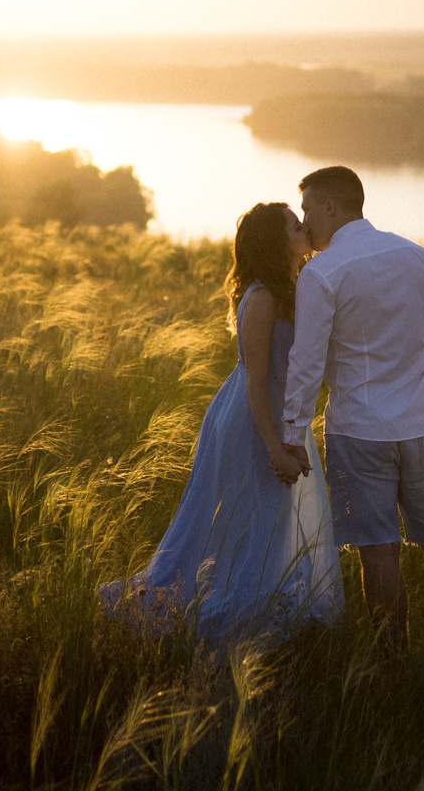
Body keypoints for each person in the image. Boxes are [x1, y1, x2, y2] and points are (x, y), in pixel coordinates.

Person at [99, 201, 341, 643]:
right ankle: (220, 613)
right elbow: (254, 380)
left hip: (279, 418)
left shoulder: (296, 285)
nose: (303, 225)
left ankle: (253, 608)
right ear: (276, 240)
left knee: (270, 519)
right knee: (246, 518)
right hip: (252, 420)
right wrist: (273, 446)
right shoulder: (264, 296)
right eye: (293, 223)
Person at [281, 165, 424, 654]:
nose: (305, 222)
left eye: (308, 208)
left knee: (378, 553)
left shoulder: (323, 273)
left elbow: (306, 365)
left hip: (359, 432)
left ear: (331, 206)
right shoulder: (417, 256)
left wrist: (291, 435)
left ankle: (395, 663)